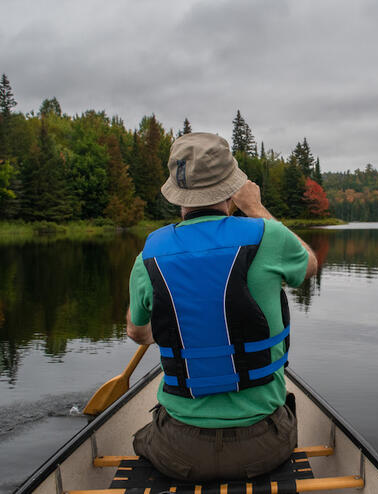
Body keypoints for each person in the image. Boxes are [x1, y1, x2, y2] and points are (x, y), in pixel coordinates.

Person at [125, 132, 318, 481]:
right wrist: (255, 208)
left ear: (177, 193)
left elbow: (138, 334)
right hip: (264, 445)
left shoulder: (148, 256)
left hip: (178, 448)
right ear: (232, 189)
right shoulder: (269, 237)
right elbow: (309, 264)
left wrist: (173, 325)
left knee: (141, 438)